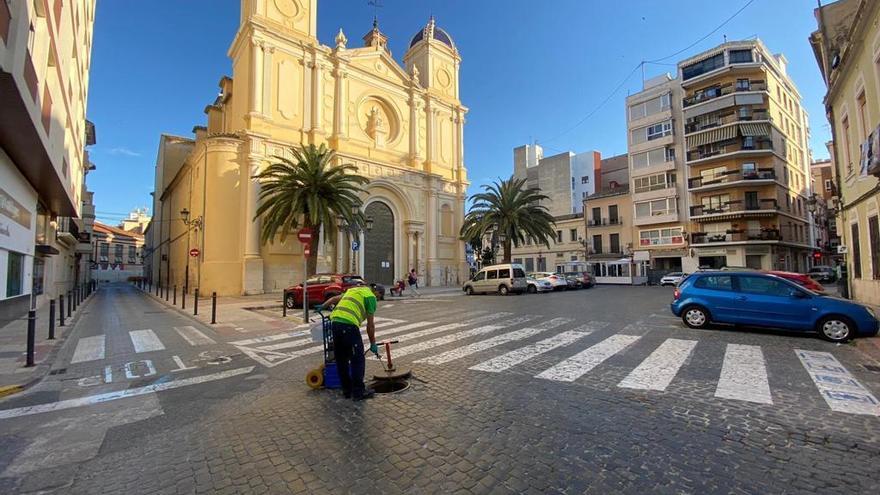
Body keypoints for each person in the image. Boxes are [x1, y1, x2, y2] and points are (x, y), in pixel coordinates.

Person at [318, 281, 381, 400]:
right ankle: (359, 392)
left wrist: (322, 306)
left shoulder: (353, 290)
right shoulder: (371, 297)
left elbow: (333, 299)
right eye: (379, 296)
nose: (378, 298)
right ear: (376, 293)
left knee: (342, 359)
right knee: (357, 359)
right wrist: (373, 343)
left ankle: (347, 390)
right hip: (349, 326)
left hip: (335, 323)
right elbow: (370, 325)